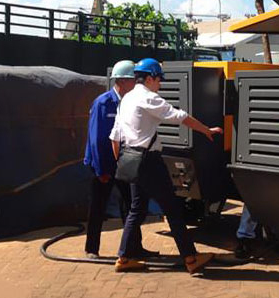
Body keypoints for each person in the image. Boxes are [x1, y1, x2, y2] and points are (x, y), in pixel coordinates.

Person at [110, 58, 223, 274]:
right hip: (149, 162)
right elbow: (179, 117)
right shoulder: (148, 98)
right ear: (150, 78)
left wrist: (120, 160)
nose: (160, 84)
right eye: (159, 79)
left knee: (136, 209)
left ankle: (124, 258)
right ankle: (191, 258)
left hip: (131, 159)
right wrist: (206, 130)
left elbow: (115, 135)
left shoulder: (127, 98)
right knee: (173, 208)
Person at [83, 60, 155, 259]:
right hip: (103, 164)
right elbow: (96, 139)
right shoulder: (103, 103)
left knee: (131, 205)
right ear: (122, 82)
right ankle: (91, 249)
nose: (137, 83)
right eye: (134, 80)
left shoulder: (130, 102)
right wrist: (101, 170)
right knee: (98, 206)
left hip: (122, 163)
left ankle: (134, 247)